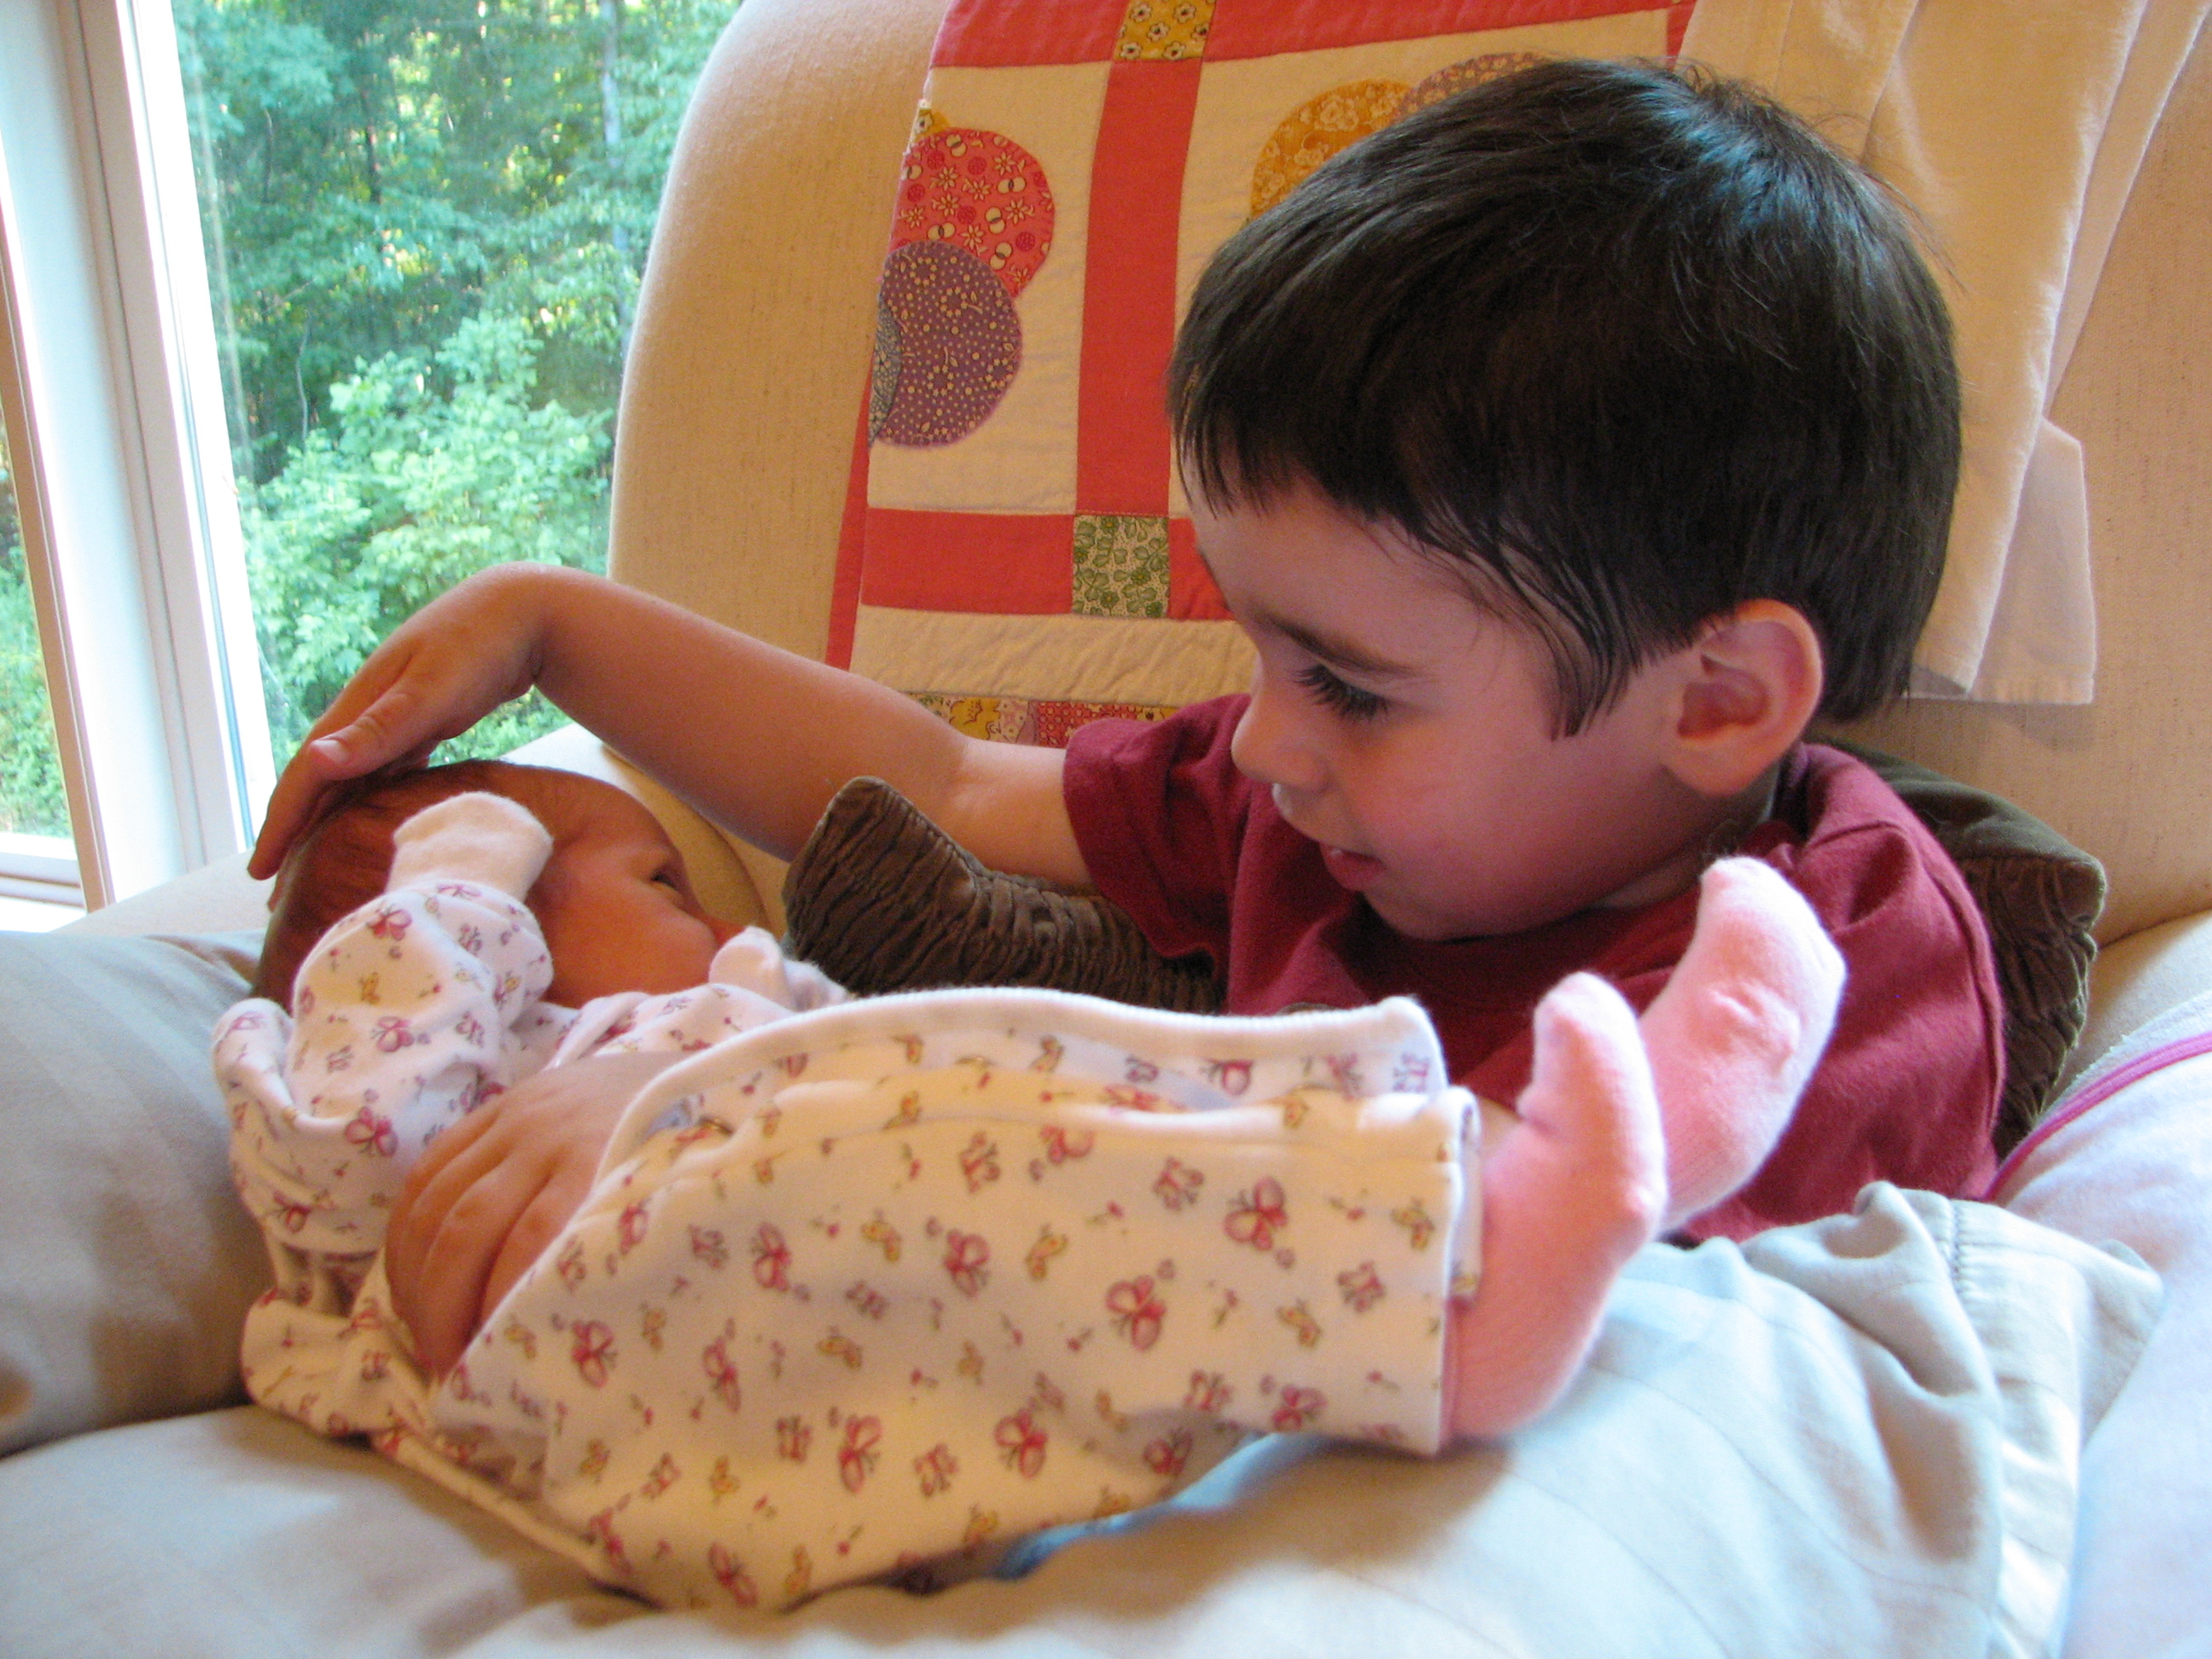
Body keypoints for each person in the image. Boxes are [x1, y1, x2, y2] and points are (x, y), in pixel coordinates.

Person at [244, 60, 1998, 1406]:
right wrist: (558, 624)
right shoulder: (1311, 819)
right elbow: (936, 783)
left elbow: (1488, 1303)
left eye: (1350, 685)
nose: (1265, 746)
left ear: (1715, 701)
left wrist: (746, 1115)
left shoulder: (1828, 974)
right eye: (1262, 655)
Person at [224, 760, 1843, 1608]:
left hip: (840, 1350)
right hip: (604, 1345)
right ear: (496, 916)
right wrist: (451, 890)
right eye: (655, 877)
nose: (713, 913)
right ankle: (1468, 1296)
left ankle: (1483, 1182)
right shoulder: (430, 1056)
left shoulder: (716, 1022)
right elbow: (351, 1162)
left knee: (1066, 1114)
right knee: (963, 1155)